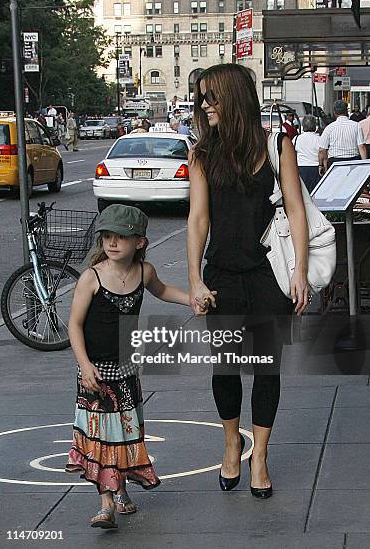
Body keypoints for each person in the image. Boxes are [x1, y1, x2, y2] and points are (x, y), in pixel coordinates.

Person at [187, 64, 309, 500]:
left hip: (267, 274)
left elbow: (296, 209)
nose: (204, 105)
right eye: (202, 97)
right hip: (221, 274)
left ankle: (260, 456)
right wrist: (194, 279)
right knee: (225, 367)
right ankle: (231, 443)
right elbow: (198, 219)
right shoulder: (202, 153)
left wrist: (300, 270)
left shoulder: (277, 146)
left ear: (233, 98)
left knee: (265, 368)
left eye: (211, 97)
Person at [66, 204, 193, 529]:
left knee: (123, 433)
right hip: (95, 374)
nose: (112, 243)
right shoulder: (91, 278)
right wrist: (84, 365)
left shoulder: (144, 272)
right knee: (99, 439)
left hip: (126, 372)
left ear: (139, 242)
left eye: (120, 237)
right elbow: (75, 325)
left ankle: (120, 491)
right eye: (107, 237)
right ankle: (105, 504)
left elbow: (163, 290)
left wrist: (192, 299)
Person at [318, 99, 367, 174]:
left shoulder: (329, 128)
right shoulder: (356, 126)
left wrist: (322, 164)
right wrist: (365, 165)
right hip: (353, 161)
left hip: (335, 162)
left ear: (334, 112)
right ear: (346, 111)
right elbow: (362, 147)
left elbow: (322, 150)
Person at [293, 115, 321, 193]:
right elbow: (322, 153)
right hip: (316, 168)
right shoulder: (319, 139)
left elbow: (293, 154)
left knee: (303, 193)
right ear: (314, 126)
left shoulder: (296, 138)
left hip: (301, 168)